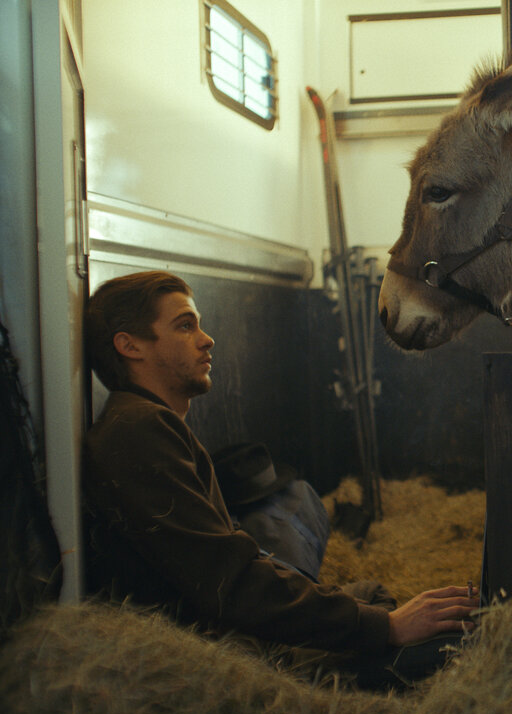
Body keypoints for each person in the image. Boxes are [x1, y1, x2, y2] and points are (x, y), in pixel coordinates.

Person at [82, 270, 477, 688]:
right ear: (129, 345)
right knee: (443, 644)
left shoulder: (148, 421)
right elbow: (230, 583)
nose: (206, 338)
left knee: (372, 594)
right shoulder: (138, 431)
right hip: (226, 663)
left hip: (236, 634)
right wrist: (389, 628)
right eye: (184, 325)